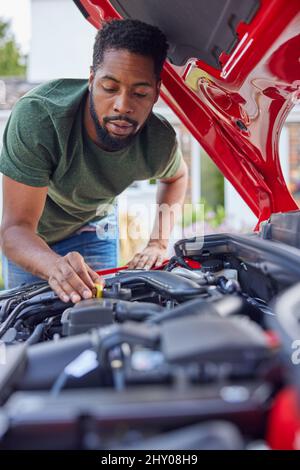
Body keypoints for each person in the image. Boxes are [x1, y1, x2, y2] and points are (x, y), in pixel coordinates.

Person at [0, 19, 188, 303]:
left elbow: (177, 176)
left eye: (140, 93)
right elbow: (15, 230)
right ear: (91, 79)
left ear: (156, 93)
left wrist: (158, 243)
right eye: (110, 87)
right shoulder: (39, 119)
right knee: (28, 324)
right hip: (34, 237)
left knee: (101, 317)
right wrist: (54, 266)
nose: (122, 105)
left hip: (95, 226)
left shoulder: (158, 141)